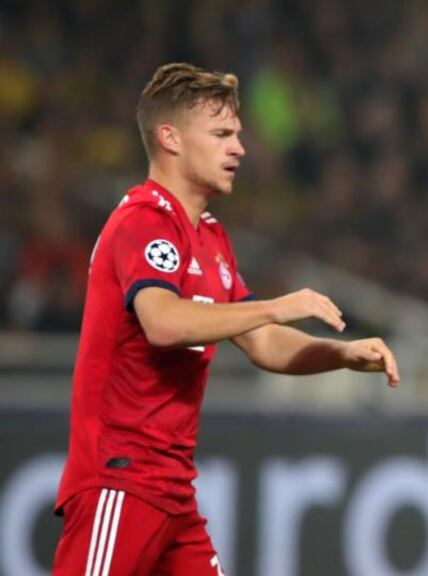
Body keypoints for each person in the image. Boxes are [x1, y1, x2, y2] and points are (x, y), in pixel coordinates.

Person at [52, 63, 400, 576]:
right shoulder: (144, 221)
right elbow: (163, 323)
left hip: (173, 493)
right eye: (221, 135)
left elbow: (263, 343)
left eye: (237, 134)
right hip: (120, 480)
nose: (239, 148)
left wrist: (343, 355)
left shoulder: (210, 238)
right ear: (170, 138)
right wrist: (274, 305)